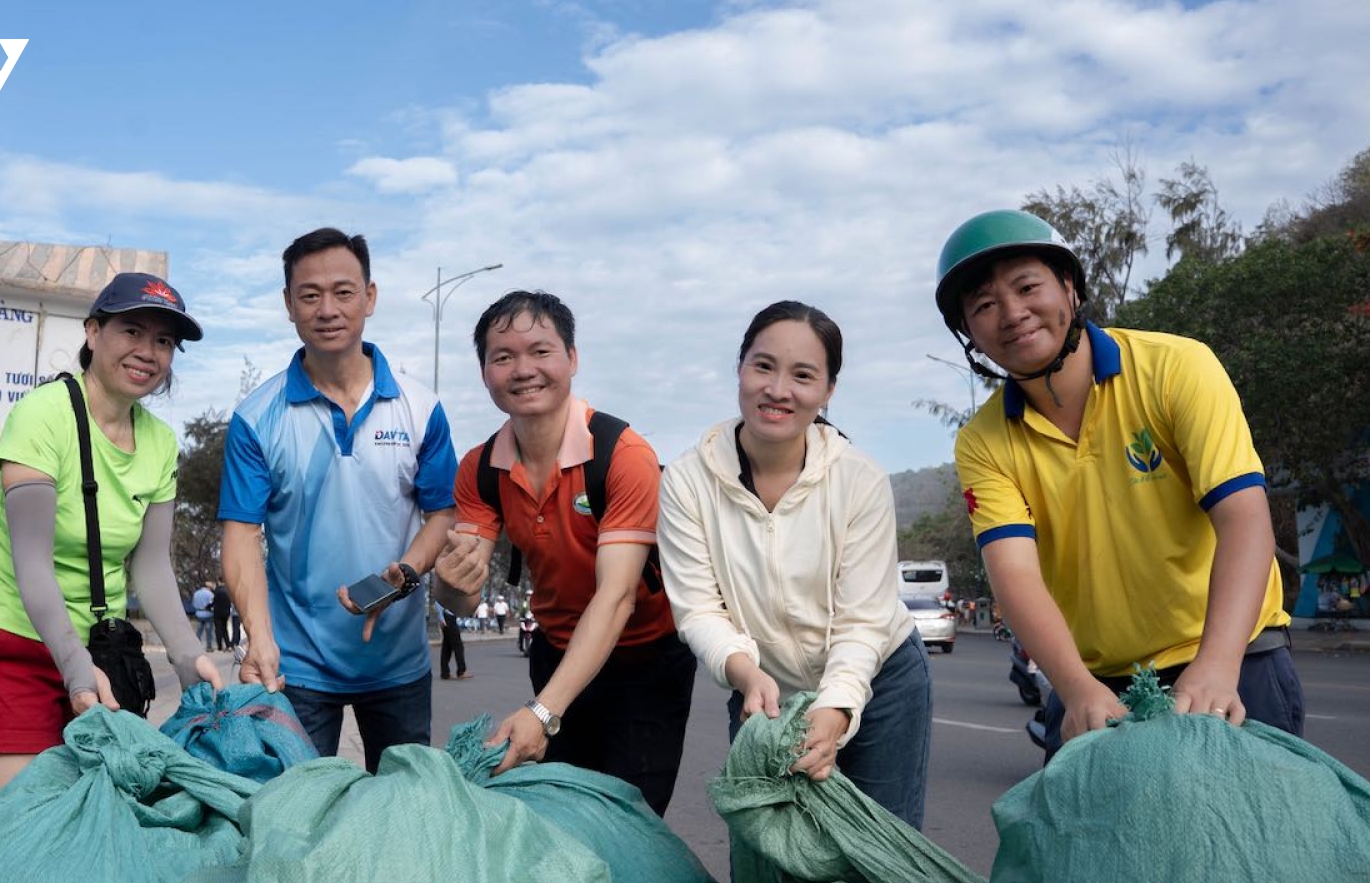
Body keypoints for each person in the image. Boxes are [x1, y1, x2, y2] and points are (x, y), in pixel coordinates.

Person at [934, 209, 1304, 760]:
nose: (1012, 313)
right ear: (971, 334)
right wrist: (1075, 687)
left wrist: (1217, 666)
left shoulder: (1177, 367)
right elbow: (1014, 574)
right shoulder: (983, 440)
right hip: (1097, 684)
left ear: (1070, 288)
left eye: (1027, 286)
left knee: (1259, 844)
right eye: (984, 306)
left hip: (1234, 659)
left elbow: (1244, 517)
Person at [657, 300, 931, 828]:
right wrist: (745, 673)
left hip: (881, 677)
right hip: (762, 691)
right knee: (768, 848)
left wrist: (837, 707)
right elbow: (697, 609)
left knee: (879, 851)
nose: (778, 390)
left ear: (828, 391)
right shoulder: (687, 481)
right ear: (740, 369)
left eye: (803, 375)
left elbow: (863, 621)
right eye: (763, 366)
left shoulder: (860, 480)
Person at [0, 272, 223, 798]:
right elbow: (30, 562)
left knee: (103, 818)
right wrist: (76, 672)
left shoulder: (161, 443)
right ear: (93, 332)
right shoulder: (42, 416)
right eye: (132, 331)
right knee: (23, 822)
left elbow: (150, 566)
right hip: (17, 642)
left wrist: (188, 654)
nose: (147, 351)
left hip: (102, 652)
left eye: (164, 341)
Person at [433, 290, 696, 816]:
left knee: (629, 820)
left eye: (540, 351)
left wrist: (543, 712)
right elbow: (460, 602)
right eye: (502, 356)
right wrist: (448, 581)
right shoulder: (479, 468)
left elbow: (617, 597)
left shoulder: (623, 454)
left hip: (645, 655)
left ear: (572, 359)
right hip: (556, 648)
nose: (523, 369)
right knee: (564, 815)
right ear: (484, 373)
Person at [218, 227, 457, 769]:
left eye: (344, 292)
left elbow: (442, 512)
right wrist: (258, 637)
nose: (328, 309)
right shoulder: (256, 418)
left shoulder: (422, 409)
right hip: (294, 665)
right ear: (288, 305)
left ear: (370, 297)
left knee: (403, 819)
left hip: (399, 664)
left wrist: (407, 572)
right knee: (295, 824)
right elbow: (240, 536)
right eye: (310, 294)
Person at [437, 602, 470, 680]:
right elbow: (438, 603)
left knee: (447, 647)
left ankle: (445, 673)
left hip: (449, 618)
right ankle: (461, 671)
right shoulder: (445, 591)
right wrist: (441, 619)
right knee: (458, 646)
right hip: (448, 618)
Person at [192, 580, 216, 650]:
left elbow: (193, 604)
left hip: (198, 613)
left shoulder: (196, 593)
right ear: (209, 587)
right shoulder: (210, 594)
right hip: (208, 614)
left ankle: (196, 645)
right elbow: (212, 604)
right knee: (208, 631)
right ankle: (209, 646)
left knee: (199, 630)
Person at [212, 581, 233, 651]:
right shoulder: (229, 590)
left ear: (218, 581)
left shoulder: (217, 591)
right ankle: (228, 645)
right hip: (226, 612)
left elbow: (214, 602)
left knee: (218, 629)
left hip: (218, 613)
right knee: (225, 629)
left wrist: (208, 607)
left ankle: (220, 646)